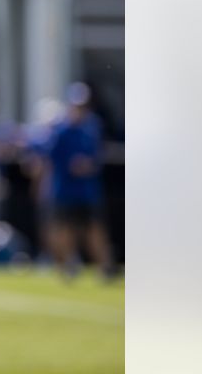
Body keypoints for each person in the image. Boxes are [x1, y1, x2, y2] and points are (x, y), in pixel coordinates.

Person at [39, 82, 116, 281]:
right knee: (65, 229)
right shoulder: (61, 132)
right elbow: (49, 158)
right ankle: (68, 265)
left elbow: (97, 155)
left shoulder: (91, 128)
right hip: (65, 189)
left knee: (94, 228)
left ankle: (105, 267)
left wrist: (88, 165)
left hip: (87, 190)